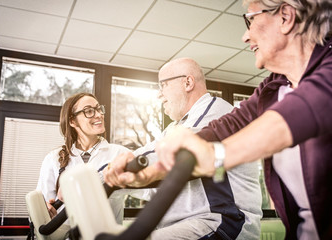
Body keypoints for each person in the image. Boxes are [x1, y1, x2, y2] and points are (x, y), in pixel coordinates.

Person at [155, 1, 332, 239]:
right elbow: (224, 128)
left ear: (285, 16)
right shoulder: (273, 87)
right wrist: (150, 170)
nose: (245, 36)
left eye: (249, 20)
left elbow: (318, 100)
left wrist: (218, 155)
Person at [104, 57, 263, 239]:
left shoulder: (215, 111)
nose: (159, 94)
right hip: (191, 224)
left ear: (188, 83)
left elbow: (164, 154)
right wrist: (119, 179)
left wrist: (99, 172)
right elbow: (154, 170)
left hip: (222, 222)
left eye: (163, 85)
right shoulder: (174, 128)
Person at [36, 92, 130, 222]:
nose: (99, 114)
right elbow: (41, 209)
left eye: (98, 109)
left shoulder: (120, 154)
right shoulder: (53, 159)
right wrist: (43, 210)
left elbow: (150, 190)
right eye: (89, 111)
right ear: (72, 121)